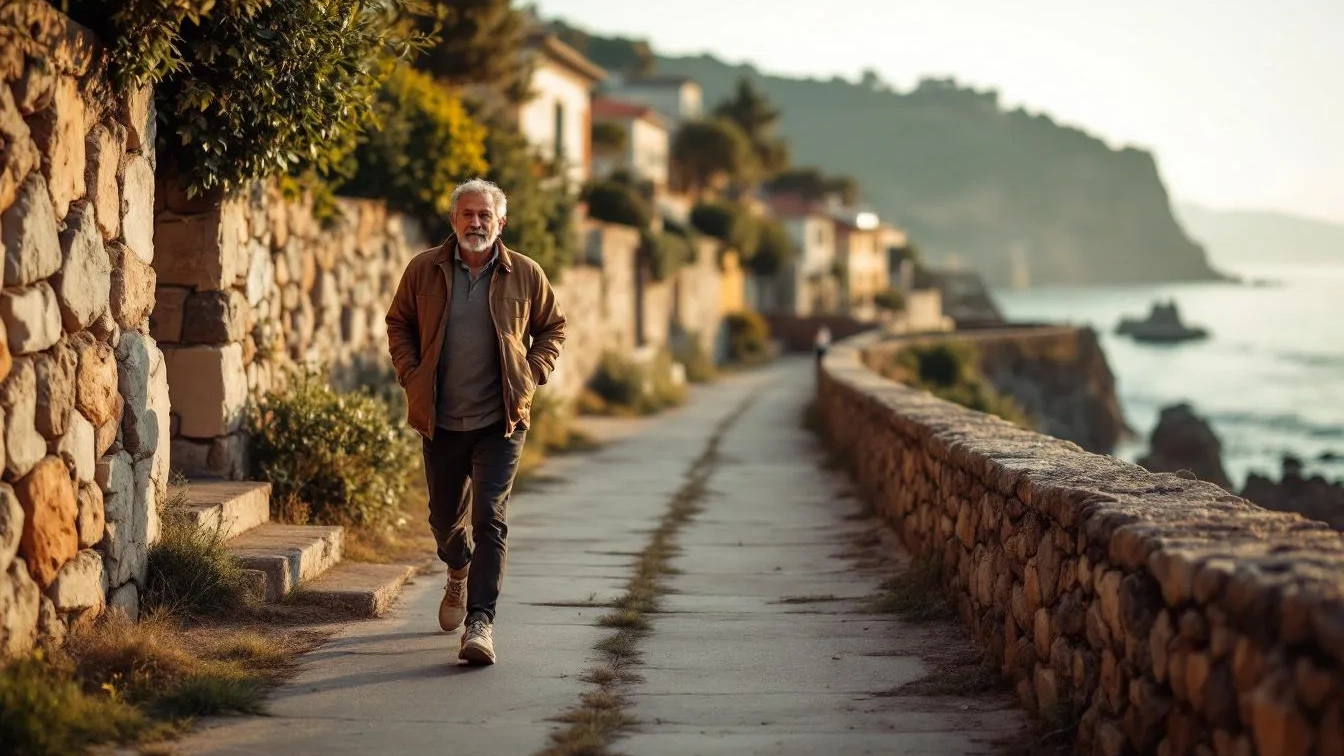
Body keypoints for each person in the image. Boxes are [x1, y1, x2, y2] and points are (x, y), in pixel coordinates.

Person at [385, 178, 566, 665]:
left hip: (501, 421)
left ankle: (480, 624)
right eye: (467, 214)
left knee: (491, 517)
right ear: (453, 220)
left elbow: (553, 327)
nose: (476, 222)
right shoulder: (423, 270)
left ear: (500, 223)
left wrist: (531, 374)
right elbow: (397, 322)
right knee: (445, 521)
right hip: (440, 419)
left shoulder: (525, 274)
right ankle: (457, 569)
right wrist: (411, 372)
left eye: (485, 215)